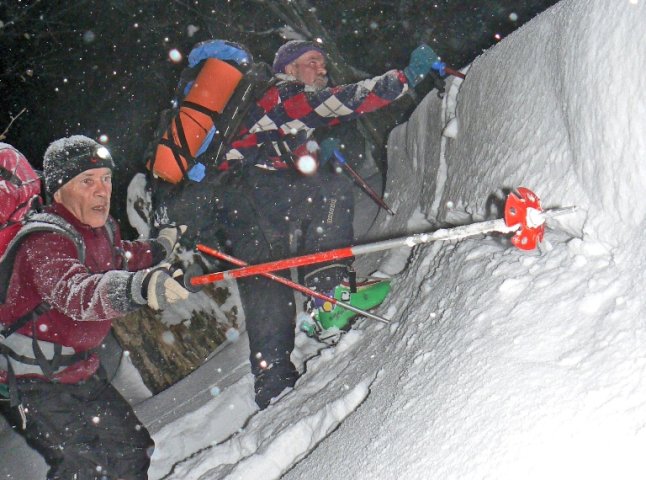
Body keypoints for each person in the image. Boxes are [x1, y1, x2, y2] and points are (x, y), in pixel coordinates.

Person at [153, 40, 439, 409]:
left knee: (265, 279)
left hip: (232, 204)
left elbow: (281, 150)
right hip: (253, 190)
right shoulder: (282, 94)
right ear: (288, 69)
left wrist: (314, 151)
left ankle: (273, 382)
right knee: (331, 188)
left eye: (322, 63)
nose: (322, 69)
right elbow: (345, 101)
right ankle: (329, 297)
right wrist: (404, 78)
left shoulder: (264, 111)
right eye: (312, 62)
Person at [0, 136, 190, 480]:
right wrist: (140, 287)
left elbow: (122, 257)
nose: (102, 190)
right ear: (59, 192)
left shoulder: (101, 230)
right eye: (88, 181)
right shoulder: (42, 241)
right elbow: (78, 293)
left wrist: (161, 247)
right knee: (84, 468)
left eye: (106, 178)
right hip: (37, 380)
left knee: (132, 448)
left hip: (82, 369)